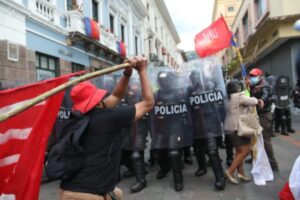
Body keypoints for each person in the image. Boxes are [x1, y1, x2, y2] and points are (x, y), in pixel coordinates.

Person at [59, 56, 154, 200]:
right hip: (87, 196)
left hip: (71, 190)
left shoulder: (78, 118)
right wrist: (142, 70)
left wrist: (127, 73)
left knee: (117, 193)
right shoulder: (108, 118)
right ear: (97, 101)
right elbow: (148, 103)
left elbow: (116, 95)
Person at [150, 69, 193, 192]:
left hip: (176, 127)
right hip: (161, 128)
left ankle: (178, 180)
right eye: (162, 80)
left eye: (167, 80)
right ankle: (165, 168)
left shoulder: (179, 93)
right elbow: (151, 113)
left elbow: (187, 110)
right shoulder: (156, 94)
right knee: (156, 153)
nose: (165, 82)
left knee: (173, 153)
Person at [188, 65, 226, 190]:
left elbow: (220, 105)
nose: (194, 79)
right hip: (196, 125)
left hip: (210, 124)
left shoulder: (210, 87)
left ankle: (220, 178)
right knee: (198, 149)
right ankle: (202, 167)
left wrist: (220, 120)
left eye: (196, 77)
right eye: (192, 77)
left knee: (212, 151)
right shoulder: (189, 90)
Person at [224, 79, 259, 184]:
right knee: (245, 151)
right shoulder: (238, 96)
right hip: (237, 128)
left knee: (238, 151)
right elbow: (253, 101)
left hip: (229, 128)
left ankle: (241, 173)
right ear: (237, 88)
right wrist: (247, 93)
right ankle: (230, 171)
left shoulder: (228, 97)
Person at [247, 68, 279, 171]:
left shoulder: (264, 85)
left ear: (260, 76)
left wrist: (261, 100)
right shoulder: (252, 85)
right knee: (253, 138)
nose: (252, 78)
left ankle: (273, 164)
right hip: (255, 114)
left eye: (254, 76)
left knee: (266, 140)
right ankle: (254, 158)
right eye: (251, 76)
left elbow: (265, 94)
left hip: (264, 115)